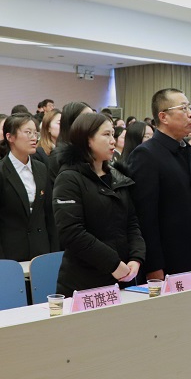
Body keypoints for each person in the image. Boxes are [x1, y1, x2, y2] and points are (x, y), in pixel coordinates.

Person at [53, 114, 145, 296]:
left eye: (113, 134)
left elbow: (132, 223)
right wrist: (113, 264)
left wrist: (136, 257)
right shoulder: (69, 178)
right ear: (88, 139)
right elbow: (72, 233)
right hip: (85, 281)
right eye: (106, 135)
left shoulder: (117, 177)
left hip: (123, 277)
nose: (113, 141)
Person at [128, 88, 191, 279]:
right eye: (183, 108)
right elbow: (145, 218)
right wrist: (153, 266)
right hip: (168, 262)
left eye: (190, 108)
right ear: (163, 117)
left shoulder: (187, 151)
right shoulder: (146, 155)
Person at [0, 114, 59, 261]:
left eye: (35, 133)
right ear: (10, 137)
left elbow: (49, 213)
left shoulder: (41, 168)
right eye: (28, 132)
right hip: (11, 252)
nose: (34, 138)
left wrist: (54, 251)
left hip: (41, 249)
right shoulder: (2, 171)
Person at [48, 101, 93, 184]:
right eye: (87, 119)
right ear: (72, 123)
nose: (93, 123)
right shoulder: (58, 157)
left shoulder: (93, 151)